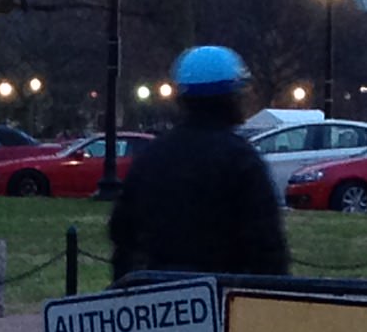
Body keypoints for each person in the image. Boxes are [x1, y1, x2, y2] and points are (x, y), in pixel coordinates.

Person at [110, 45, 289, 278]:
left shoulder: (151, 157)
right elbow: (267, 246)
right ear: (230, 98)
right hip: (224, 298)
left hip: (156, 295)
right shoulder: (241, 160)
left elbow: (122, 232)